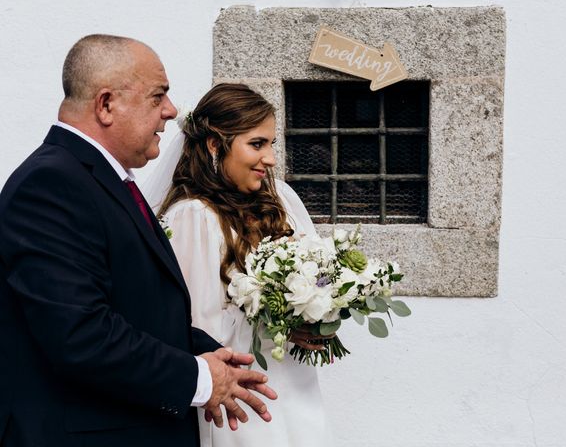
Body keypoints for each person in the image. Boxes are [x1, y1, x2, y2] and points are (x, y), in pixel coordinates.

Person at [0, 35, 276, 447]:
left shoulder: (102, 179)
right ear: (106, 104)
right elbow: (80, 335)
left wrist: (211, 356)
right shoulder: (51, 184)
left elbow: (134, 308)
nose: (171, 111)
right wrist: (197, 378)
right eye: (158, 96)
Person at [146, 83, 331, 446]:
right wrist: (277, 325)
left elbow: (318, 272)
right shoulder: (193, 218)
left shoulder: (282, 201)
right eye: (257, 144)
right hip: (240, 397)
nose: (271, 159)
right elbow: (195, 328)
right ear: (215, 145)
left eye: (272, 144)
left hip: (294, 384)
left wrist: (319, 310)